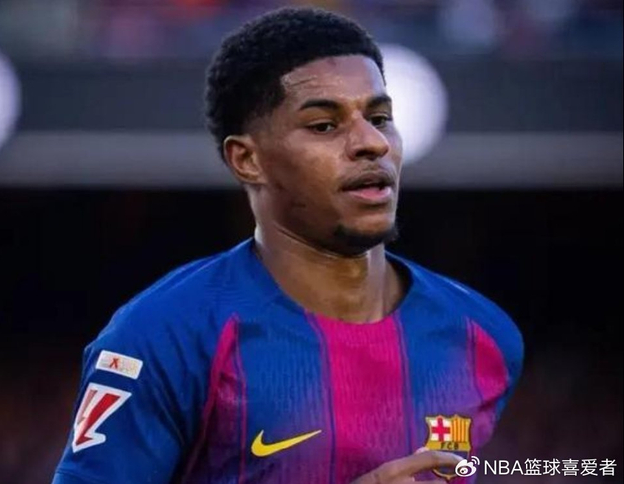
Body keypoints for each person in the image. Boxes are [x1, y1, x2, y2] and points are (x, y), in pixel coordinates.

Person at [52, 7, 523, 484]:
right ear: (247, 160)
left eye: (380, 117)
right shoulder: (161, 335)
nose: (372, 143)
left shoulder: (484, 335)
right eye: (324, 125)